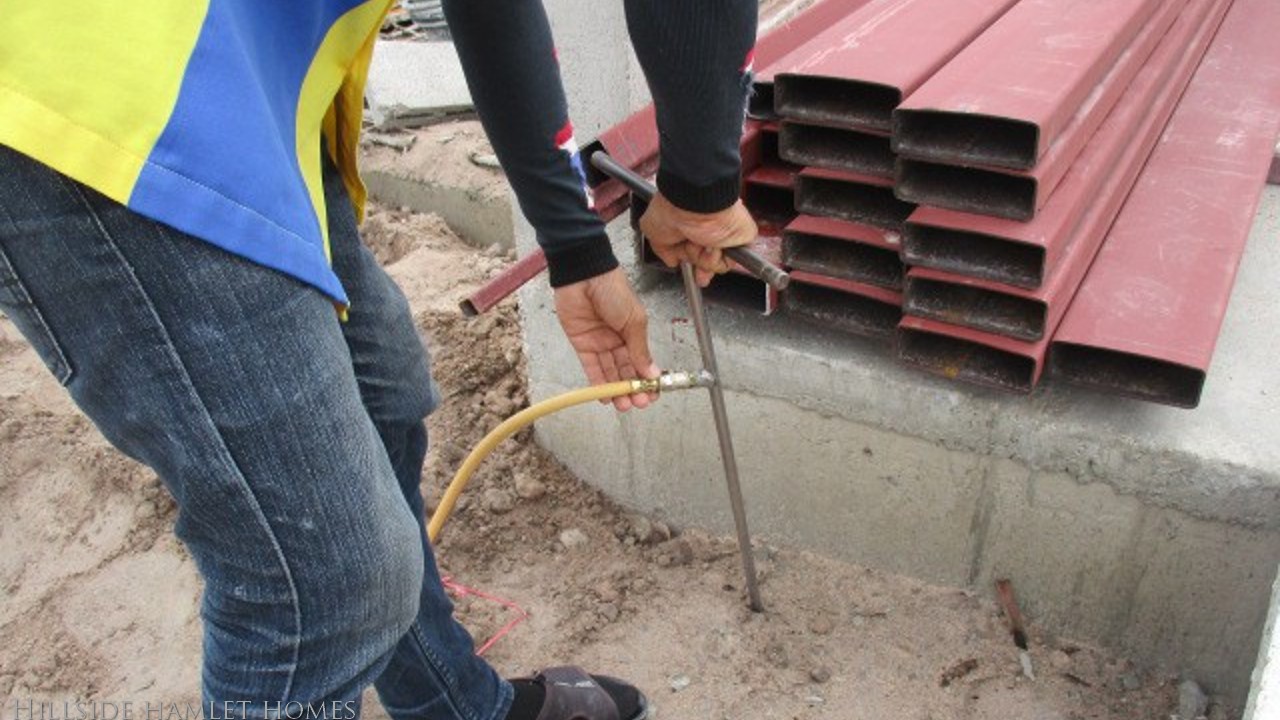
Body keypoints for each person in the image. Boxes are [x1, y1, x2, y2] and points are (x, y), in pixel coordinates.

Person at [0, 0, 757, 718]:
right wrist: (701, 186)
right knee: (323, 584)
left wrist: (575, 248)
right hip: (88, 110)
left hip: (237, 85)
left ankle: (449, 703)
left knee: (382, 391)